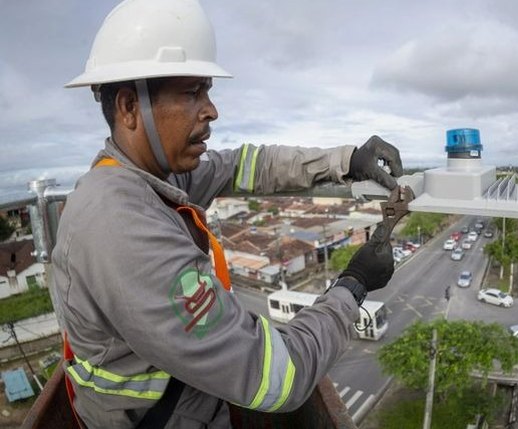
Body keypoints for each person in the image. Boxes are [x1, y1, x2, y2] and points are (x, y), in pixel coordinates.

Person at [53, 0, 403, 427]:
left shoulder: (146, 177)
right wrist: (354, 285)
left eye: (207, 91)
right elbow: (280, 377)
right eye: (191, 92)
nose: (211, 110)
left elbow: (243, 165)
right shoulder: (120, 228)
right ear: (129, 107)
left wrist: (345, 160)